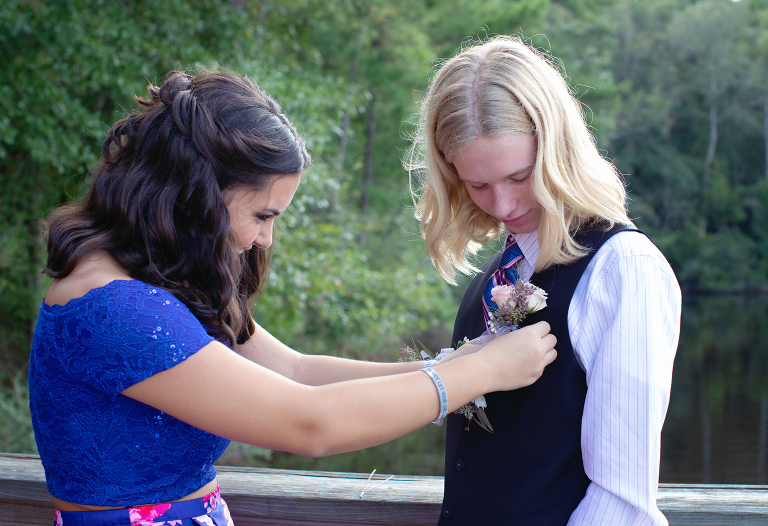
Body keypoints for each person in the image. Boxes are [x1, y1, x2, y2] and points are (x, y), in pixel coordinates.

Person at [28, 69, 558, 526]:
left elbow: (296, 370)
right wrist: (481, 373)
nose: (265, 240)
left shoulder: (154, 285)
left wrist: (450, 364)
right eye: (262, 215)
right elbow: (309, 422)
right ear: (195, 195)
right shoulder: (112, 308)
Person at [406, 37, 681, 526]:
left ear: (558, 148)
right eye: (477, 184)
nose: (502, 205)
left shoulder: (623, 268)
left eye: (519, 176)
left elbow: (620, 502)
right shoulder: (496, 273)